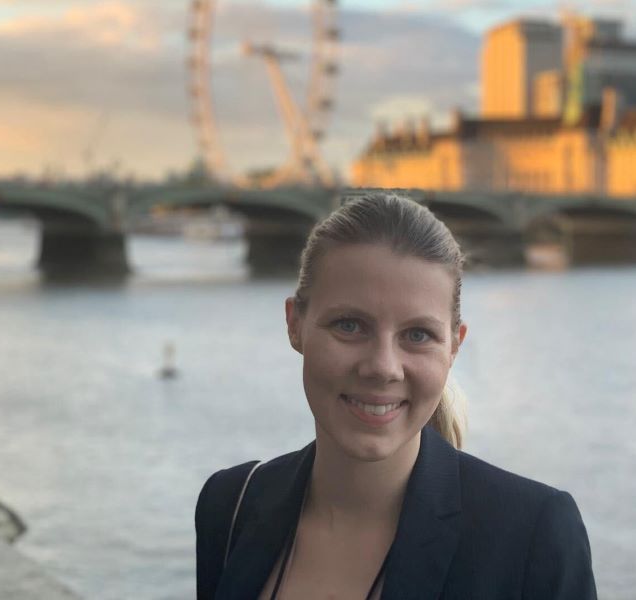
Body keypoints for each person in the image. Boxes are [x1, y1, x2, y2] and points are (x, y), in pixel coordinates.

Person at [195, 193, 597, 599]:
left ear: (454, 346)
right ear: (294, 324)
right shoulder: (229, 506)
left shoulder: (533, 536)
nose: (383, 367)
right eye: (350, 325)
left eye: (417, 335)